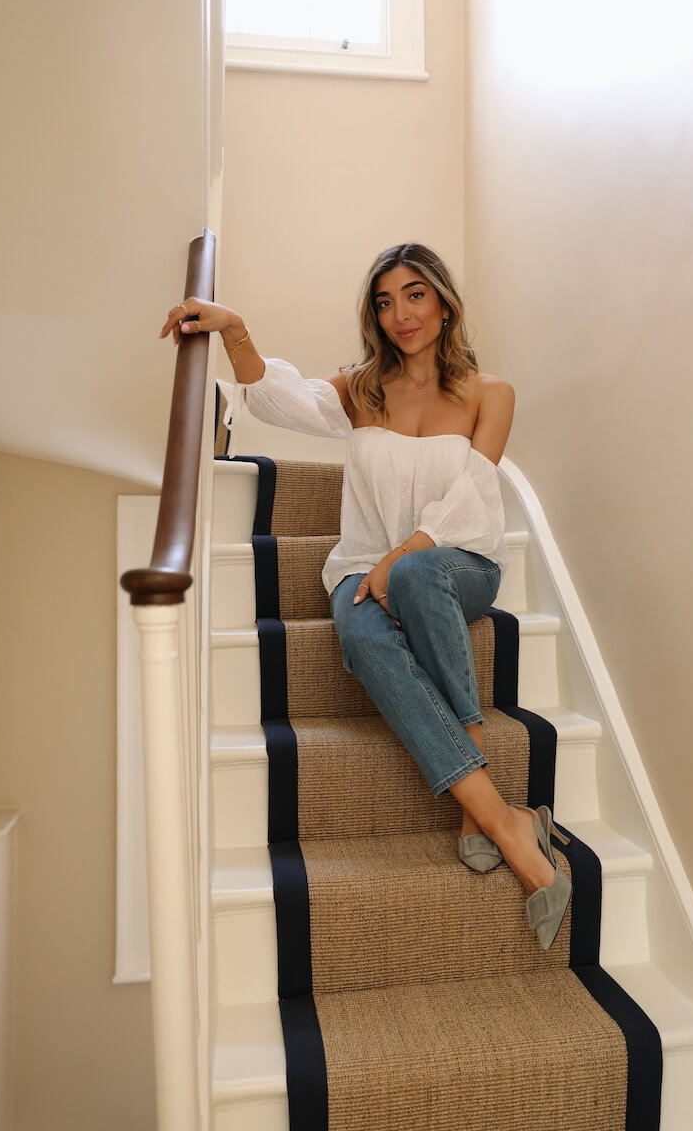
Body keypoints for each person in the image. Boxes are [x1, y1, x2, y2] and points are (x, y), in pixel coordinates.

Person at [161, 242, 571, 950]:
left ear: (444, 303)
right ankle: (502, 817)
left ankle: (480, 785)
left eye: (415, 295)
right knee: (359, 634)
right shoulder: (362, 389)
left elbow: (474, 495)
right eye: (385, 302)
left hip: (459, 562)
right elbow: (279, 398)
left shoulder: (490, 393)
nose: (400, 314)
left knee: (413, 576)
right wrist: (234, 328)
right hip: (362, 561)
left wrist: (403, 556)